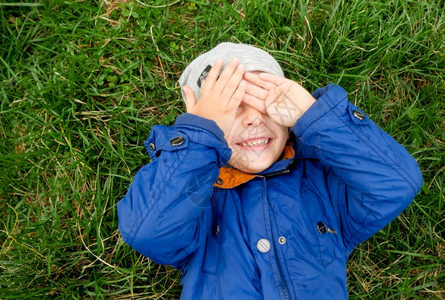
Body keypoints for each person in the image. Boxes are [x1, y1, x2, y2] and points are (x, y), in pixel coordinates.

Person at [117, 42, 423, 299]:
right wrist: (198, 142)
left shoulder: (322, 184)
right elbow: (148, 231)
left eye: (264, 102)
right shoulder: (196, 200)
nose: (253, 119)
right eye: (232, 108)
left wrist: (314, 117)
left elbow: (396, 183)